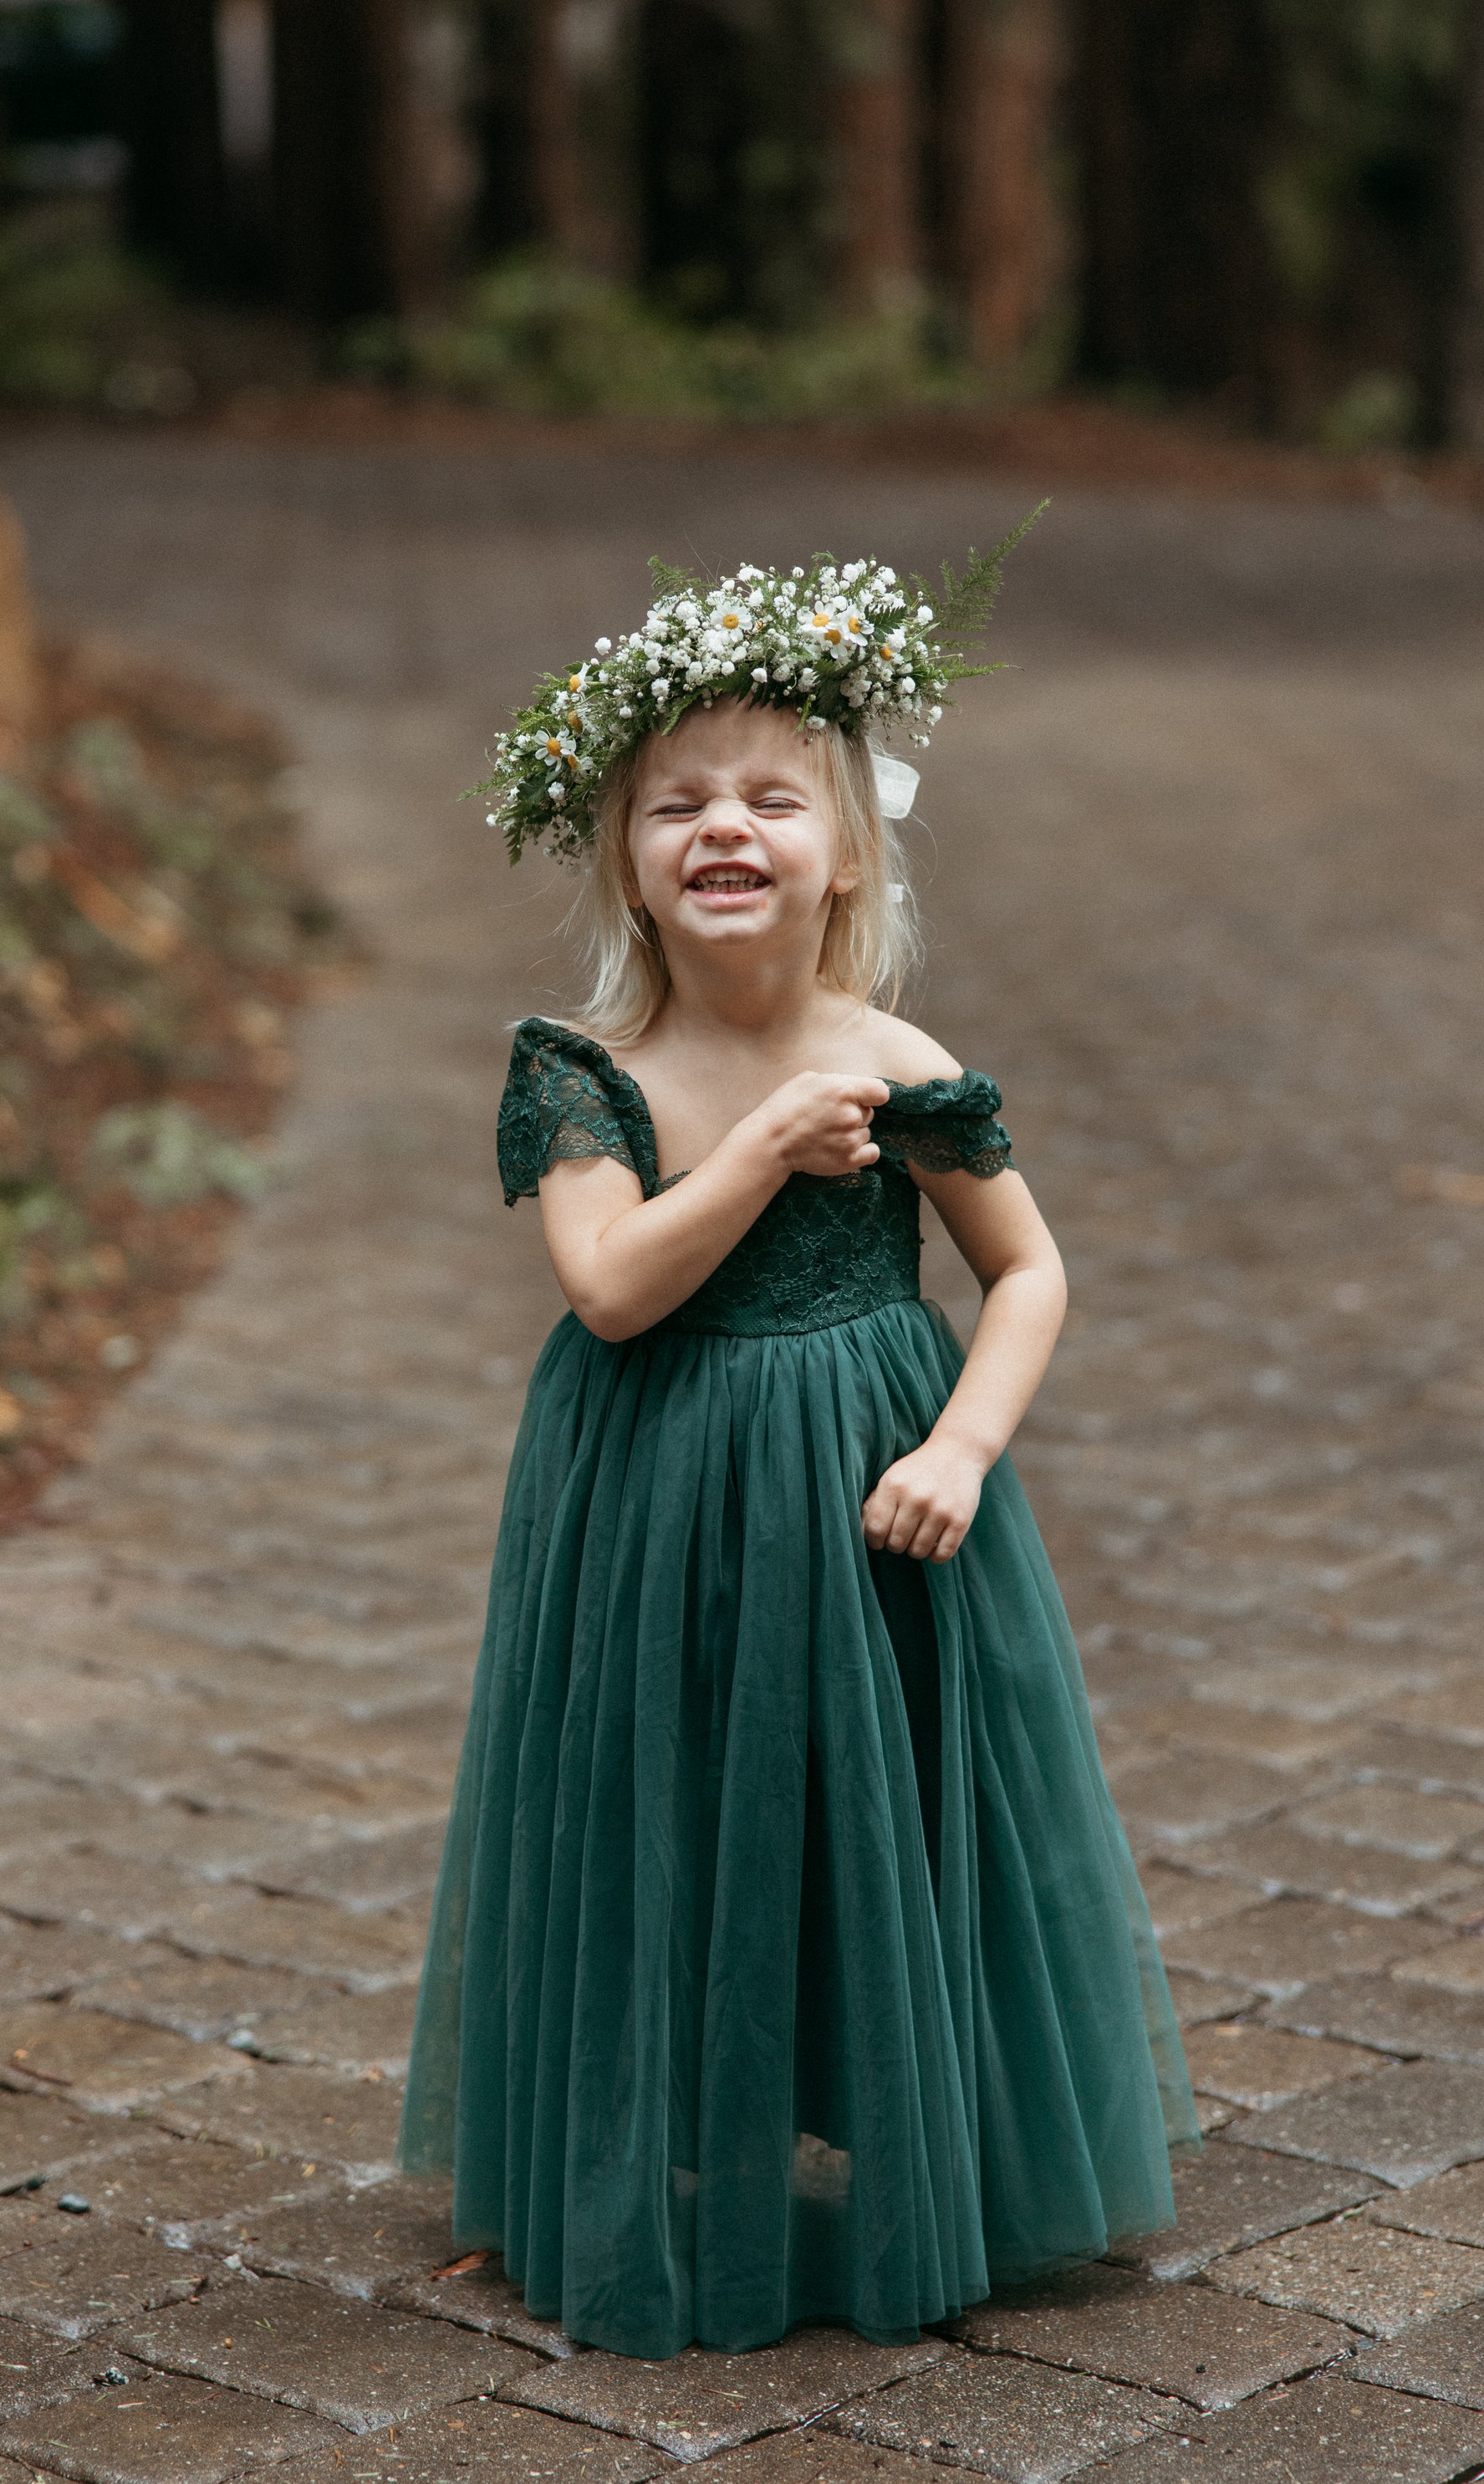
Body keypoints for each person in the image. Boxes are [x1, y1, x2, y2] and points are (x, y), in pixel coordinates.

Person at [400, 544, 1196, 2358]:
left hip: (872, 1496)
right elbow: (609, 1287)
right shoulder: (581, 1072)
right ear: (623, 856)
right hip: (658, 1496)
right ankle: (661, 2128)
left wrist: (969, 1445)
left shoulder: (898, 1056)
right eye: (675, 801)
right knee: (670, 1783)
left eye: (771, 795)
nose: (722, 826)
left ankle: (909, 2122)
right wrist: (758, 1144)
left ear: (847, 851)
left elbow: (1025, 1269)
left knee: (873, 1784)